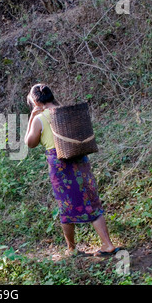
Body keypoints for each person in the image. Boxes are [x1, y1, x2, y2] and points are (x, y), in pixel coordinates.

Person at [24, 83, 119, 257]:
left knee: (66, 206)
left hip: (60, 166)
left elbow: (29, 143)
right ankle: (107, 244)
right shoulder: (66, 112)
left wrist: (31, 118)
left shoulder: (40, 118)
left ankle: (72, 249)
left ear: (35, 102)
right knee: (92, 201)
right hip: (80, 160)